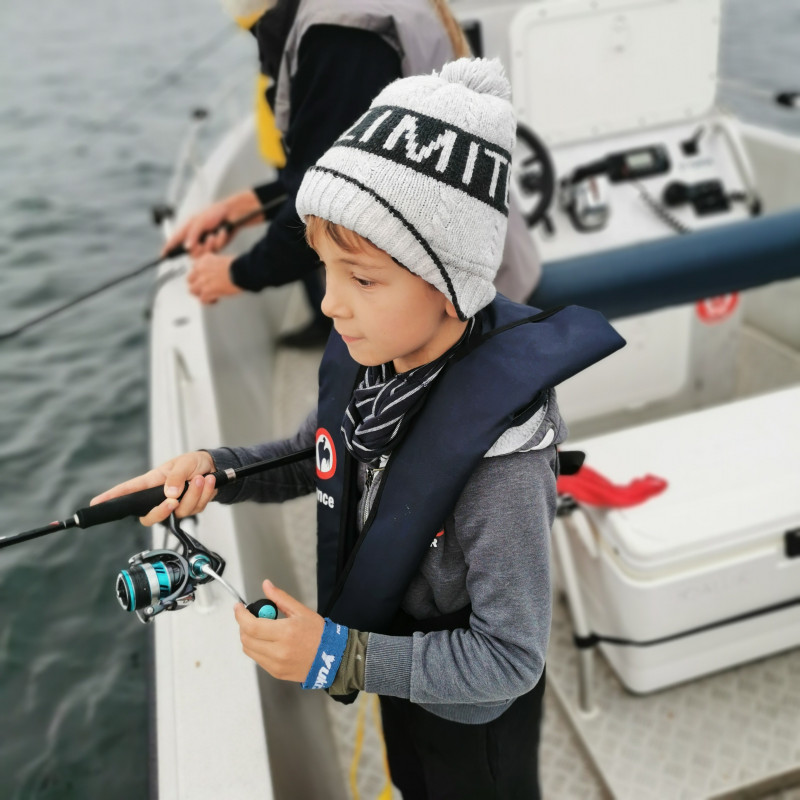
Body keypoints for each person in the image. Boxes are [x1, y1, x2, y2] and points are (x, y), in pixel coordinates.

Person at [94, 60, 623, 798]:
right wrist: (214, 471)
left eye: (363, 279)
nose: (332, 307)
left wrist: (341, 657)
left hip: (475, 730)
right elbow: (316, 456)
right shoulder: (374, 355)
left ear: (454, 286)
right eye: (324, 269)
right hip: (397, 672)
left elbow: (509, 661)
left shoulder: (501, 463)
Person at [165, 0, 540, 347]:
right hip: (474, 272)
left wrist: (238, 274)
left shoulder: (340, 32)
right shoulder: (352, 11)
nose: (330, 307)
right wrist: (242, 207)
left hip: (459, 310)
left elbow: (335, 198)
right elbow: (350, 161)